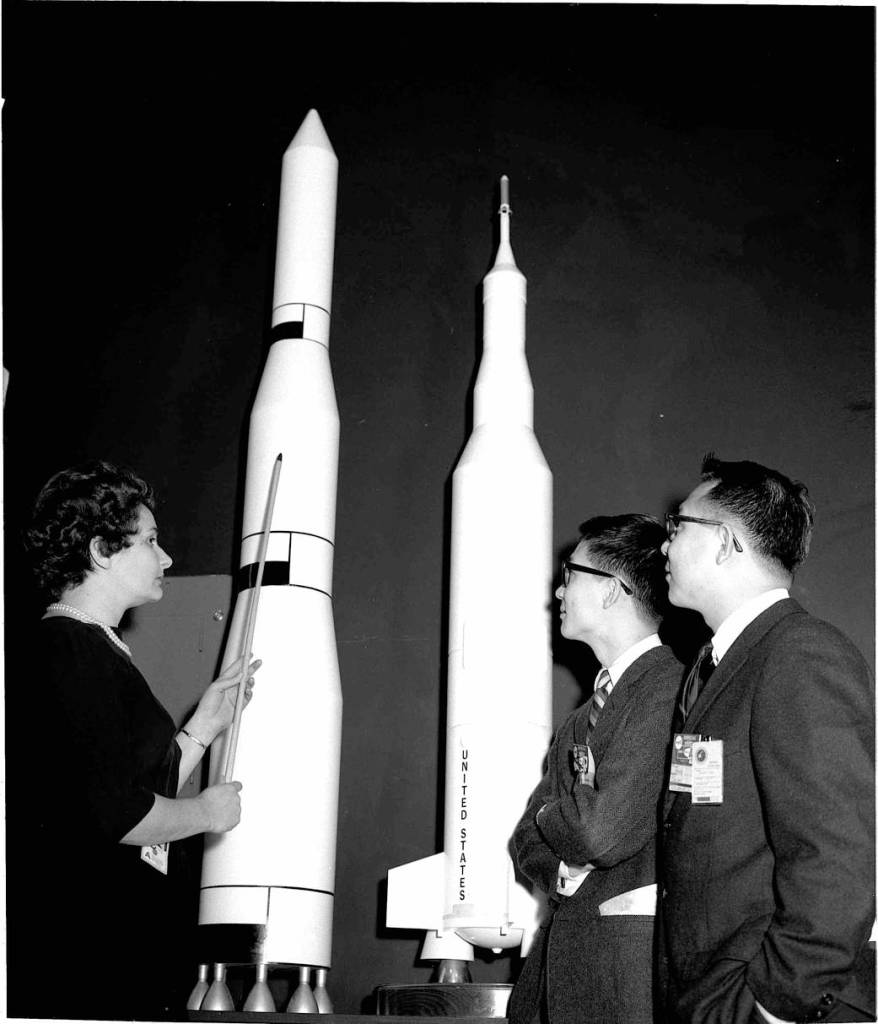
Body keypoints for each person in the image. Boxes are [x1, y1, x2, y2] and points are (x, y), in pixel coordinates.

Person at [7, 461, 260, 1020]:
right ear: (101, 550)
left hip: (108, 950)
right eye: (149, 540)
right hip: (84, 960)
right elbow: (117, 815)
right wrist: (207, 813)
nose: (165, 556)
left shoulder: (90, 651)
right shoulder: (71, 652)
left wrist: (203, 726)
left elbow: (129, 783)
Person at [659, 455, 875, 1024]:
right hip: (710, 997)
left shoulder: (799, 654)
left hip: (758, 1005)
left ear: (726, 543)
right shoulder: (716, 666)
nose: (665, 545)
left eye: (678, 526)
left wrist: (773, 1005)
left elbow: (836, 855)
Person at [508, 514, 684, 1024]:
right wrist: (562, 866)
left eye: (570, 575)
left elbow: (598, 834)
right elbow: (525, 840)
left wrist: (551, 815)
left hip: (622, 988)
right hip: (553, 987)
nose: (558, 592)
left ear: (611, 591)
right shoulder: (579, 720)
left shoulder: (668, 692)